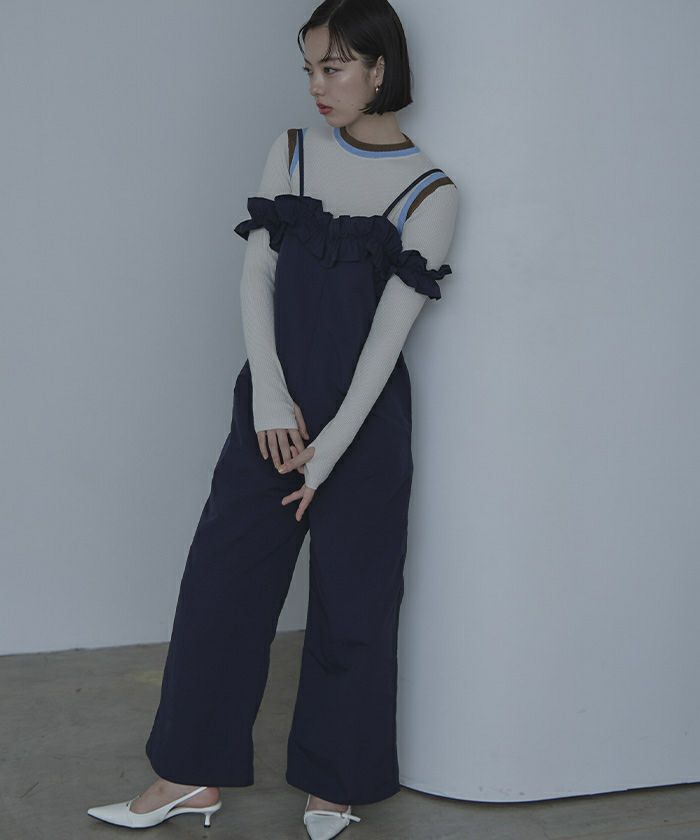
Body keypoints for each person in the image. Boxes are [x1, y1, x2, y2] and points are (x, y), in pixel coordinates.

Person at [86, 0, 459, 837]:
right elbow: (256, 277)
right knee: (221, 589)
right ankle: (188, 775)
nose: (317, 86)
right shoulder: (291, 151)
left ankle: (335, 785)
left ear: (379, 69)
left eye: (334, 67)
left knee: (355, 605)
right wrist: (265, 396)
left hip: (362, 429)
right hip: (271, 415)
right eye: (310, 68)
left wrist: (329, 451)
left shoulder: (432, 192)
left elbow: (388, 342)